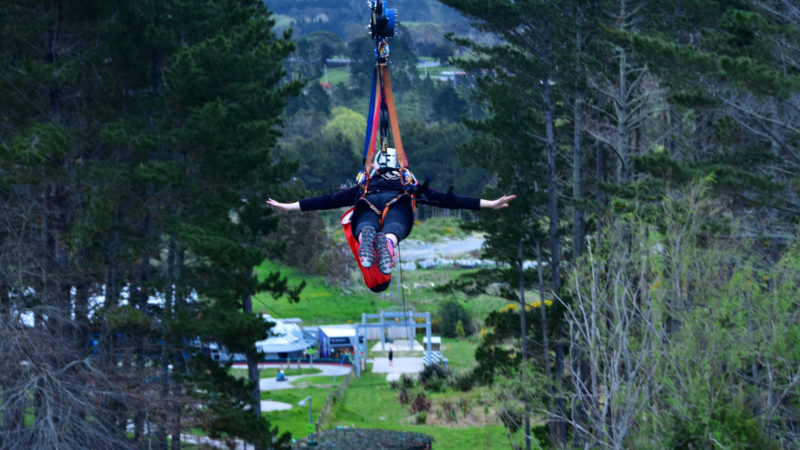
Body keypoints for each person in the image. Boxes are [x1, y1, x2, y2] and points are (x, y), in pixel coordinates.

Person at [267, 148, 515, 279]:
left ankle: (367, 234)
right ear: (398, 168)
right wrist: (490, 203)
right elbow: (450, 200)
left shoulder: (363, 185)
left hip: (368, 201)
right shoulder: (408, 185)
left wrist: (290, 206)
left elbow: (327, 200)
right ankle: (388, 240)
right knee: (397, 222)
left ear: (374, 167)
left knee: (364, 218)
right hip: (398, 201)